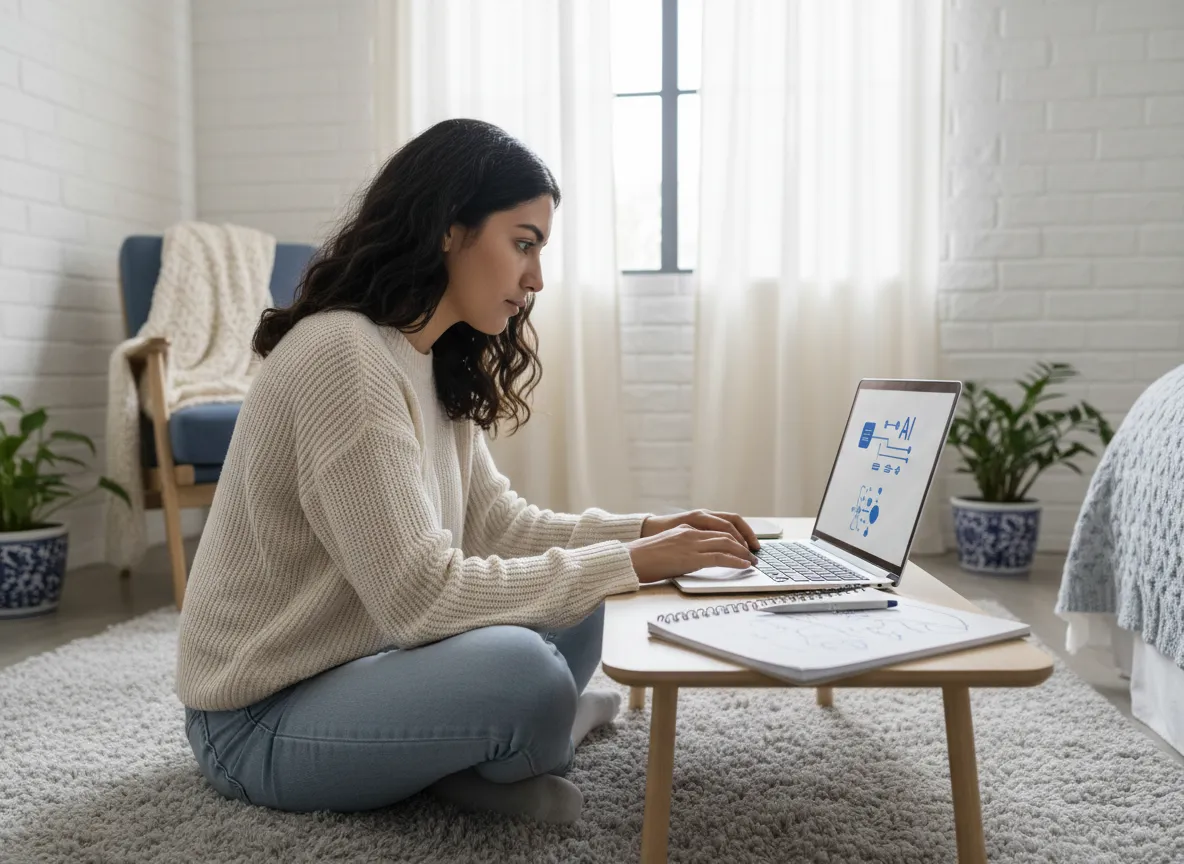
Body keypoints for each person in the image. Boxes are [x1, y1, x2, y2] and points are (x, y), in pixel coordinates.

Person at [176, 118, 762, 825]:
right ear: (450, 229)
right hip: (256, 717)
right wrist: (632, 559)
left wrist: (644, 534)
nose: (536, 279)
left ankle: (471, 758)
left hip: (362, 663)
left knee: (581, 601)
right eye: (523, 244)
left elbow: (499, 525)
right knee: (527, 671)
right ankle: (515, 745)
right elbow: (419, 598)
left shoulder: (430, 354)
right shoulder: (344, 357)